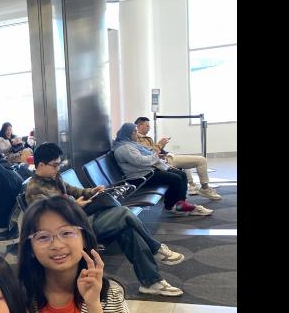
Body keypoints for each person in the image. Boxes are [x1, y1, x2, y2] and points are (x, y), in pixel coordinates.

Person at [26, 143, 185, 297]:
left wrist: (92, 191)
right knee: (124, 213)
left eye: (59, 165)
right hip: (72, 230)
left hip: (82, 219)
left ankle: (151, 282)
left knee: (128, 230)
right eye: (55, 165)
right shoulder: (34, 190)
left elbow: (75, 191)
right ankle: (156, 250)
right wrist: (75, 206)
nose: (58, 168)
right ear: (41, 165)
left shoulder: (54, 178)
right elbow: (48, 220)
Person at [112, 123, 212, 216]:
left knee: (181, 174)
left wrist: (158, 159)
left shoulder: (130, 145)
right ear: (128, 133)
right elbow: (141, 161)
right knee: (175, 179)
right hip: (140, 177)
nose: (136, 134)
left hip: (146, 171)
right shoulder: (125, 148)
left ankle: (180, 203)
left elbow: (144, 158)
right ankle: (171, 205)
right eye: (134, 131)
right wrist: (155, 154)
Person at [133, 117, 221, 200]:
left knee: (185, 164)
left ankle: (192, 185)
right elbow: (150, 154)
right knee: (201, 160)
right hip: (162, 162)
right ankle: (204, 188)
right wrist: (160, 144)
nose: (149, 128)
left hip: (163, 160)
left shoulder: (144, 138)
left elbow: (152, 153)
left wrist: (162, 148)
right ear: (139, 125)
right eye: (147, 126)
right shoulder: (137, 138)